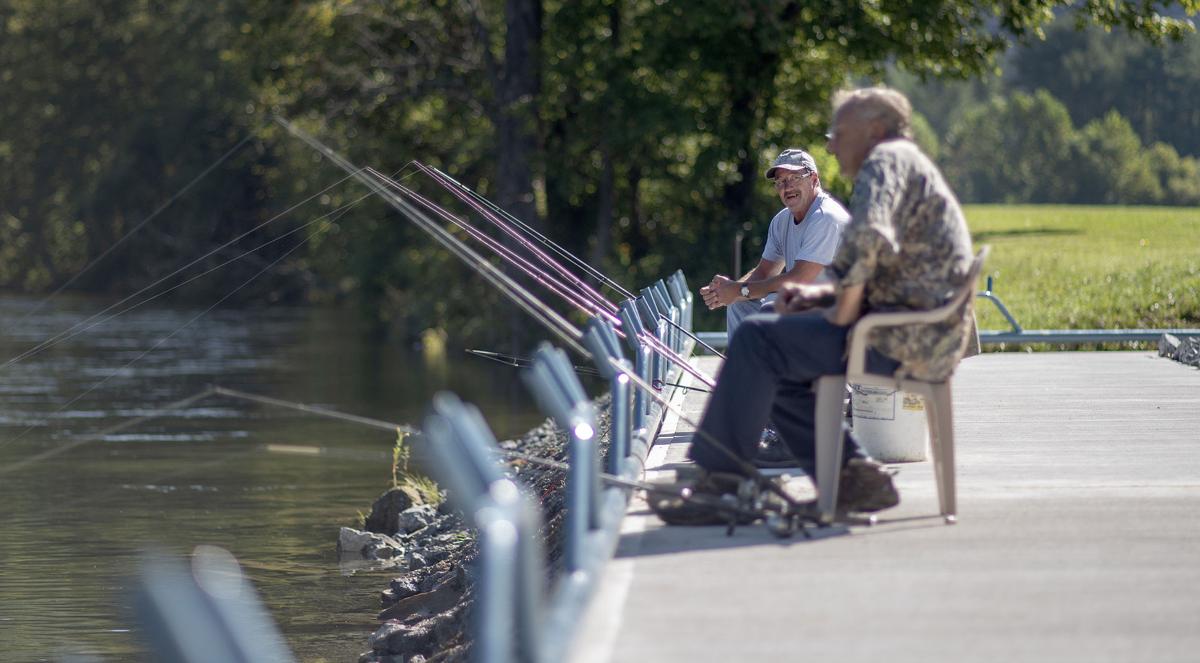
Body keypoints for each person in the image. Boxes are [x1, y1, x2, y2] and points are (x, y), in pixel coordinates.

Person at [663, 86, 975, 522]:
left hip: (906, 336)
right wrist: (820, 296)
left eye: (839, 132)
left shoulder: (883, 164)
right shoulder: (904, 163)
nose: (830, 144)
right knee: (773, 350)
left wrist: (839, 314)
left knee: (758, 339)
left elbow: (871, 245)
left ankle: (723, 482)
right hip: (916, 326)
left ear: (875, 131)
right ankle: (853, 476)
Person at [699, 149, 849, 337]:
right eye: (780, 182)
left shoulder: (826, 217)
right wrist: (727, 292)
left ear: (814, 179)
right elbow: (764, 273)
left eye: (794, 178)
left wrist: (739, 290)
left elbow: (798, 280)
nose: (787, 187)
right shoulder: (781, 220)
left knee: (772, 306)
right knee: (740, 306)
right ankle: (745, 365)